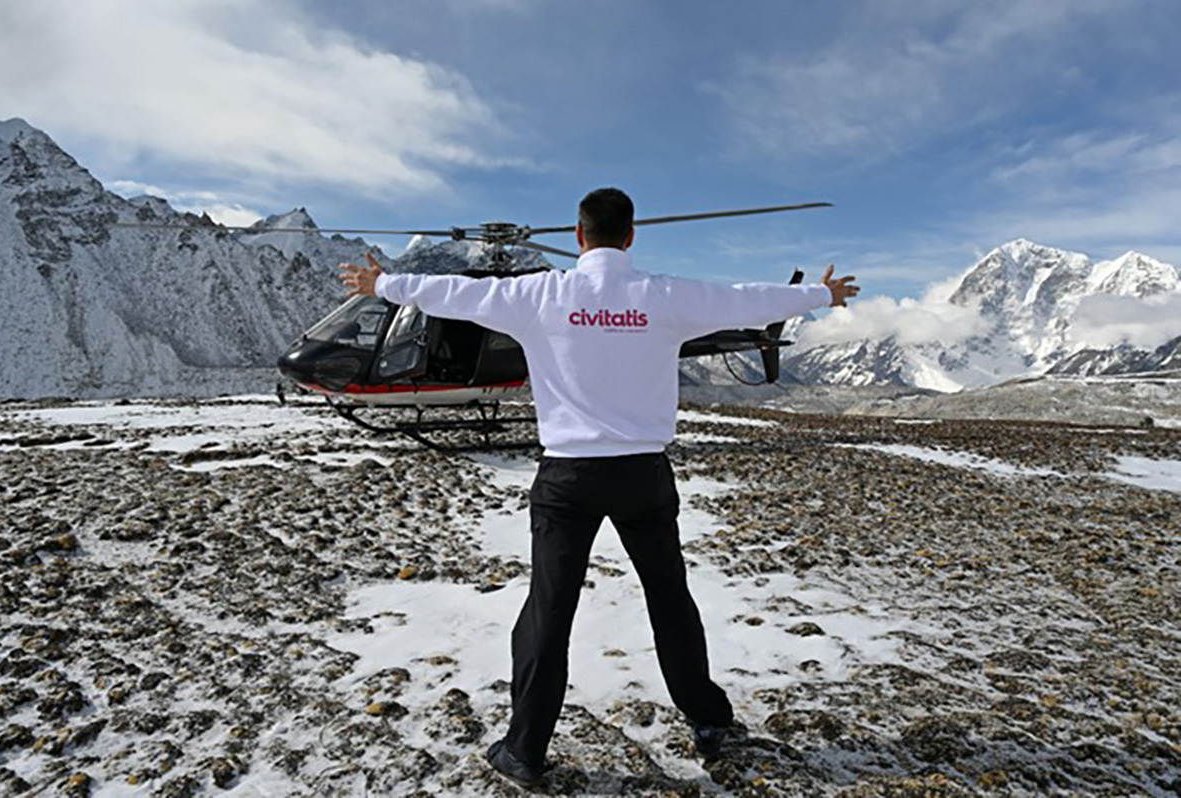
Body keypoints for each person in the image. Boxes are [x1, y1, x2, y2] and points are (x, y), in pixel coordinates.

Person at [339, 188, 859, 788]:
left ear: (579, 237)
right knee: (670, 600)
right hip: (643, 475)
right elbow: (740, 298)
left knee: (548, 611)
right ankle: (711, 723)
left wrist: (383, 285)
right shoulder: (663, 296)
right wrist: (820, 295)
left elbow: (457, 294)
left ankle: (525, 752)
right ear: (631, 236)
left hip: (567, 480)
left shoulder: (539, 293)